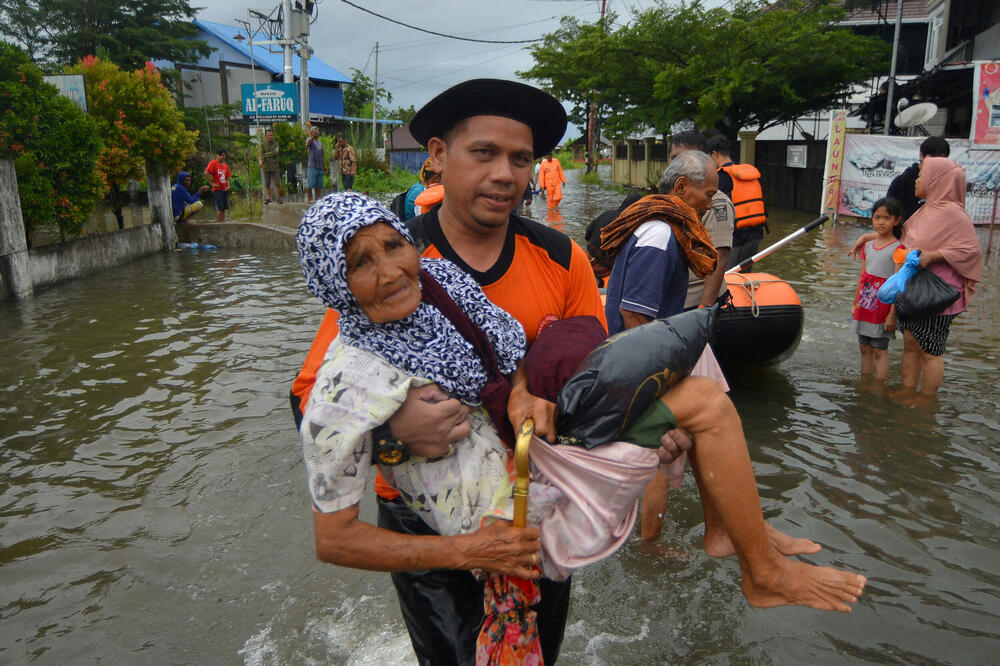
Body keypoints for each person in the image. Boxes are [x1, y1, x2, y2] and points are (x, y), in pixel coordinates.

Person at [295, 195, 868, 656]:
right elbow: (334, 538)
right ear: (333, 283)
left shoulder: (458, 283)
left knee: (698, 379)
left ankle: (742, 541)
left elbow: (507, 349)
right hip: (500, 527)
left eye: (394, 246)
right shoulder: (345, 385)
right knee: (701, 401)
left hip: (534, 467)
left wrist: (522, 394)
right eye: (360, 262)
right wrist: (466, 548)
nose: (391, 270)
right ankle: (758, 563)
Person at [291, 79, 607, 665]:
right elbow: (312, 402)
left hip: (529, 501)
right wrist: (393, 432)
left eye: (520, 159)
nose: (504, 175)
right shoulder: (393, 266)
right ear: (437, 156)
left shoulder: (564, 259)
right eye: (483, 153)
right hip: (419, 523)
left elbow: (594, 376)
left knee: (538, 651)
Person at [600, 150, 722, 541]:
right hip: (645, 360)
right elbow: (635, 315)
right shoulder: (660, 233)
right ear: (683, 188)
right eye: (708, 194)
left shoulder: (664, 228)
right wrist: (658, 385)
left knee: (690, 439)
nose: (710, 204)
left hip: (654, 351)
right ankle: (651, 545)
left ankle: (704, 526)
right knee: (660, 449)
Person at [894, 157, 982, 395]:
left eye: (921, 176)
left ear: (936, 180)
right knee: (911, 344)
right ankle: (907, 390)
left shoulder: (953, 213)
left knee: (930, 352)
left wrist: (933, 256)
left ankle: (927, 401)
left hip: (936, 295)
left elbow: (970, 251)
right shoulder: (926, 210)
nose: (916, 180)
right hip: (913, 291)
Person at [672, 132, 734, 310]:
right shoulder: (669, 201)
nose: (676, 165)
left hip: (693, 301)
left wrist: (704, 309)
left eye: (683, 159)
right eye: (673, 158)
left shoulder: (715, 202)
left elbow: (719, 259)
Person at [851, 197, 902, 382]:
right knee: (864, 347)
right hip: (865, 303)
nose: (880, 222)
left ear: (896, 220)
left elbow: (898, 283)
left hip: (883, 306)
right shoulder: (868, 246)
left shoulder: (898, 248)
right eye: (877, 217)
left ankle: (879, 387)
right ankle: (865, 384)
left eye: (886, 218)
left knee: (880, 349)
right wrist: (855, 303)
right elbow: (862, 276)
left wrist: (892, 314)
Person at [706, 135, 767, 269]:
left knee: (728, 279)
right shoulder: (747, 174)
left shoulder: (720, 177)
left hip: (735, 239)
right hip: (755, 235)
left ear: (714, 154)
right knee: (744, 278)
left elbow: (711, 209)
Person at [886, 136, 950, 225]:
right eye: (934, 158)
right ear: (921, 156)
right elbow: (889, 214)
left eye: (942, 159)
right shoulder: (901, 182)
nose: (937, 162)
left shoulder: (945, 182)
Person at [203, 149, 231, 223]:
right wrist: (211, 183)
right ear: (217, 155)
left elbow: (227, 178)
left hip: (224, 189)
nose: (222, 157)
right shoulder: (213, 163)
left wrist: (228, 186)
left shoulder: (226, 166)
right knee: (220, 208)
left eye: (224, 156)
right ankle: (219, 224)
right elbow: (206, 173)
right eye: (221, 155)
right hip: (217, 189)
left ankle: (222, 222)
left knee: (224, 208)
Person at [259, 128, 282, 204]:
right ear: (265, 136)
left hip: (275, 167)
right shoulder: (262, 145)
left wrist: (265, 155)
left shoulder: (276, 144)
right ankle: (269, 198)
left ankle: (278, 198)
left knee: (277, 183)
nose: (270, 137)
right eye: (268, 135)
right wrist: (262, 158)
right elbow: (261, 155)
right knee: (267, 183)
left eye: (271, 135)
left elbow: (275, 152)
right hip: (266, 167)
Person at [305, 126, 326, 203]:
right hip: (312, 165)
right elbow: (308, 144)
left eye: (317, 132)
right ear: (311, 133)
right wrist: (313, 136)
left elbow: (322, 155)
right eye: (314, 131)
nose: (316, 133)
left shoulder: (320, 143)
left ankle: (318, 200)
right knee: (310, 184)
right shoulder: (309, 140)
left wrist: (325, 166)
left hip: (319, 166)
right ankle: (309, 199)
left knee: (319, 186)